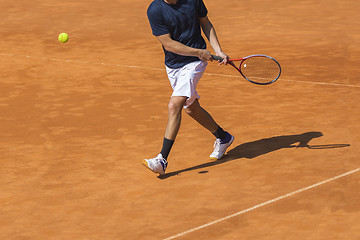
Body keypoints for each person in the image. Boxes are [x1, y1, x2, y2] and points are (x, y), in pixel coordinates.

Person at [142, 0, 234, 175]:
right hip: (174, 64)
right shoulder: (155, 10)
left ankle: (162, 159)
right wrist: (199, 51)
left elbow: (205, 23)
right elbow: (168, 44)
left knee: (174, 105)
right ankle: (224, 137)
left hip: (194, 63)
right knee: (191, 108)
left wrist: (218, 49)